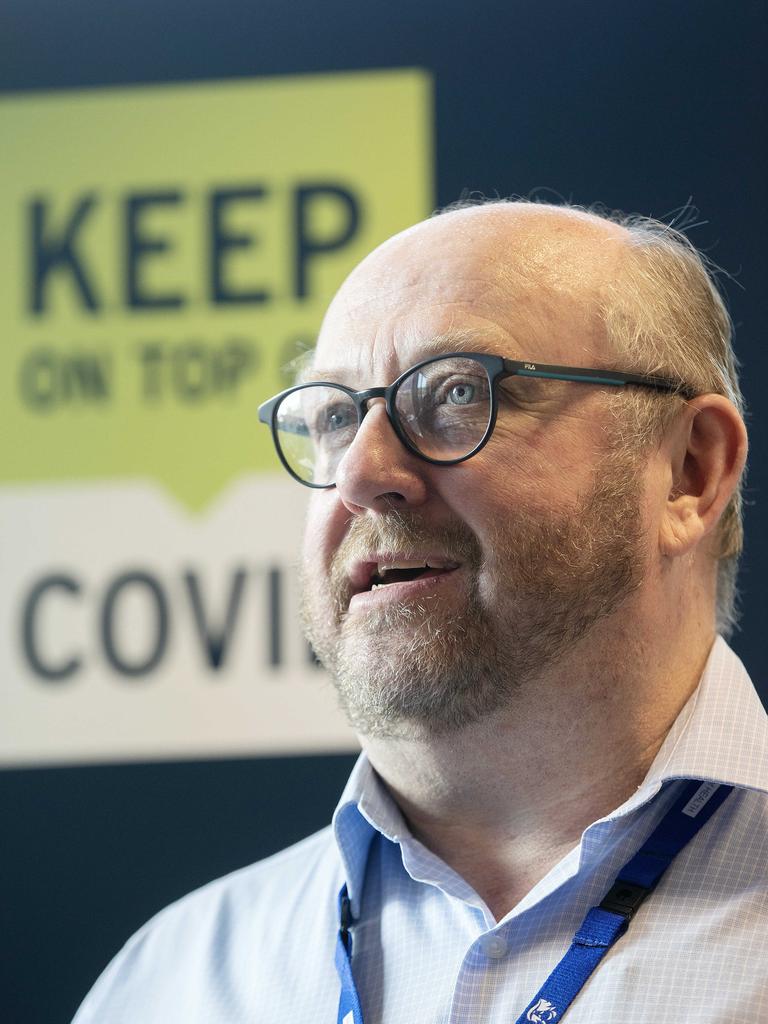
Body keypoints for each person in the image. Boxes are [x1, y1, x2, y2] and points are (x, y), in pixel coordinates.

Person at [73, 200, 767, 1023]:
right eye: (334, 416)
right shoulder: (174, 983)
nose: (362, 474)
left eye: (458, 393)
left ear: (690, 470)